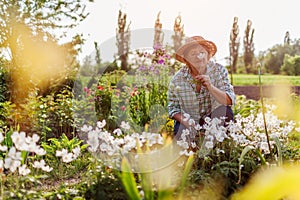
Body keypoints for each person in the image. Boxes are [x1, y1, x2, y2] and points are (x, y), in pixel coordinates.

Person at [167, 36, 235, 139]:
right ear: (186, 59)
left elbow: (229, 101)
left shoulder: (220, 71)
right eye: (193, 54)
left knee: (225, 111)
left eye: (202, 53)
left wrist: (210, 87)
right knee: (181, 137)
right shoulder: (177, 79)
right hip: (189, 119)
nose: (199, 57)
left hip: (213, 117)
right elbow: (173, 108)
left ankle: (219, 146)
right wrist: (189, 123)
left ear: (208, 55)